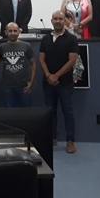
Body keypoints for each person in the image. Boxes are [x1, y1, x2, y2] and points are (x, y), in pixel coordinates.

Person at [39, 11, 79, 154]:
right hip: (48, 82)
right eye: (55, 19)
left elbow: (72, 61)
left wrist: (57, 75)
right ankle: (52, 138)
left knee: (68, 112)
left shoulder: (71, 39)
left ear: (65, 21)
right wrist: (49, 75)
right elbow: (41, 59)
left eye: (60, 19)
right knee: (50, 112)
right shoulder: (45, 39)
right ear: (51, 21)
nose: (58, 21)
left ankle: (70, 141)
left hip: (65, 82)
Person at [0, 22, 36, 107]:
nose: (13, 33)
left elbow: (33, 64)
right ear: (6, 32)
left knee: (26, 113)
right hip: (7, 86)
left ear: (19, 32)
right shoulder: (2, 47)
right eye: (10, 31)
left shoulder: (26, 46)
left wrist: (31, 82)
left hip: (24, 86)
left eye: (15, 31)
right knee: (9, 114)